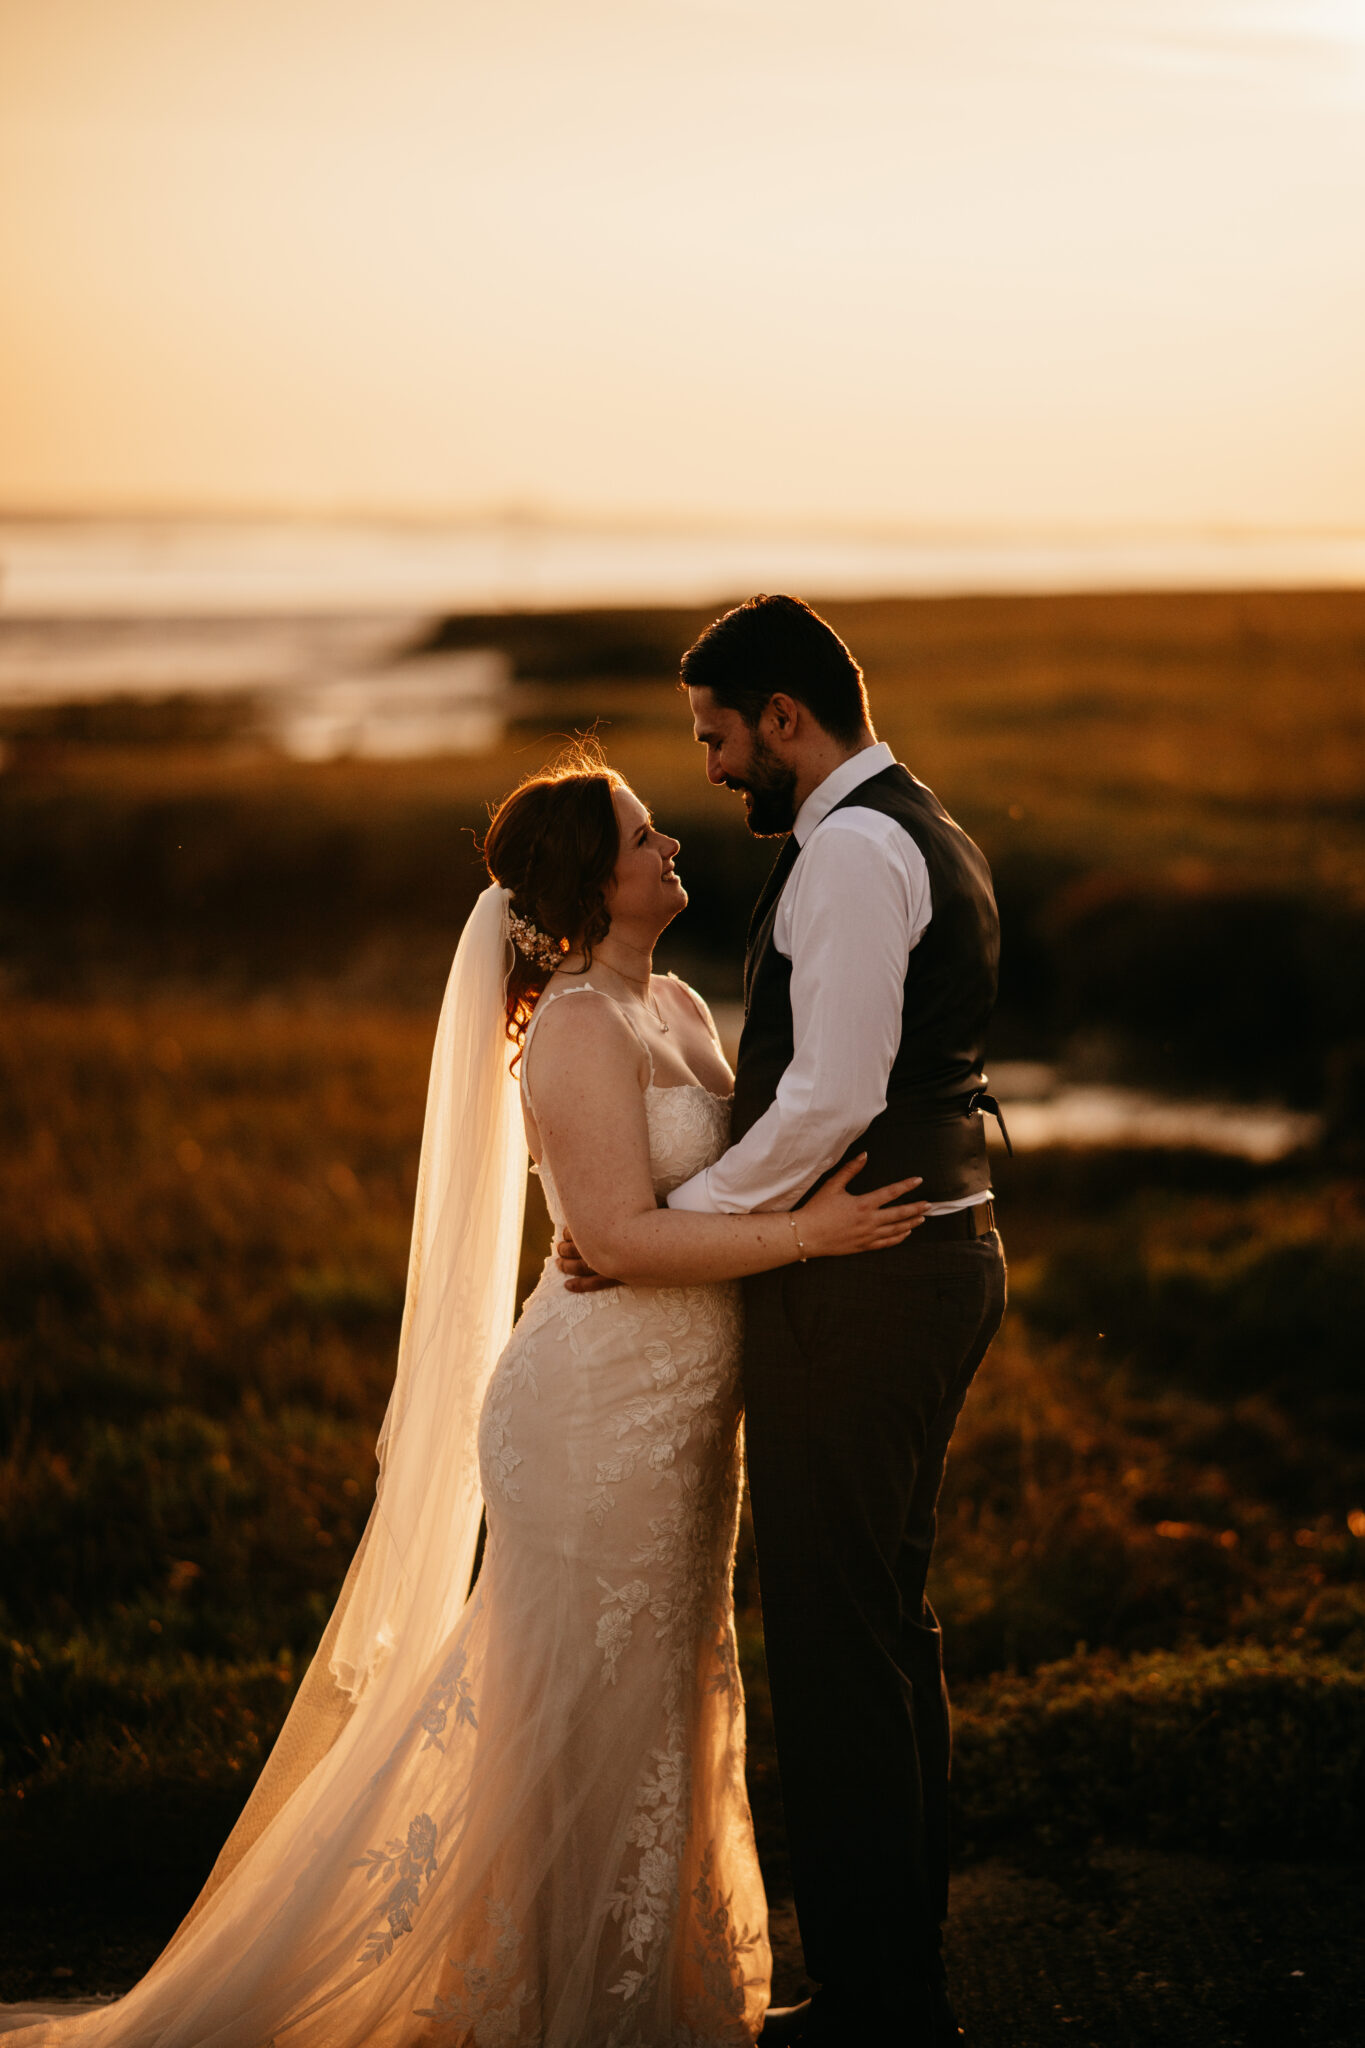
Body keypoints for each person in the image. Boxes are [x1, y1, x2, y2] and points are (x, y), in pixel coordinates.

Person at [0, 747, 927, 2048]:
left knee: (661, 1693)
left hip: (678, 1425)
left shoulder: (680, 1011)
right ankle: (550, 2001)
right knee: (574, 1710)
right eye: (643, 836)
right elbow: (611, 1239)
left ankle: (643, 1990)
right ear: (590, 884)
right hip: (593, 1416)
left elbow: (713, 1190)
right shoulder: (575, 1027)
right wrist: (808, 1242)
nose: (671, 845)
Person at [559, 598, 1008, 2047]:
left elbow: (830, 1097)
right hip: (911, 1257)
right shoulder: (908, 826)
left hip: (872, 1280)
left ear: (786, 719)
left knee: (835, 1642)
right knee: (875, 1625)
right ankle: (899, 1980)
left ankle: (878, 2001)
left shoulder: (858, 852)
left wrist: (674, 1234)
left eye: (717, 736)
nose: (711, 768)